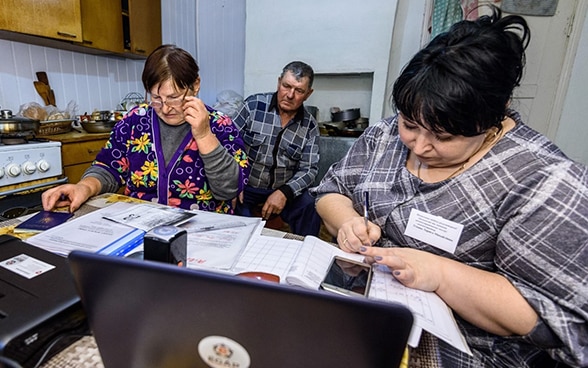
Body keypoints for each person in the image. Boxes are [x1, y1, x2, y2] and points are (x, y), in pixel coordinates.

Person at [311, 7, 587, 368]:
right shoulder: (385, 134)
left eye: (443, 136)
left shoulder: (544, 180)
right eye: (410, 124)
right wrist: (346, 220)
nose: (419, 146)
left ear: (493, 117)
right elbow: (331, 190)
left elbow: (557, 321)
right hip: (365, 318)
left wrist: (440, 275)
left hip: (460, 354)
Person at [42, 45, 249, 214]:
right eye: (156, 98)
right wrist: (84, 187)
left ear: (195, 85)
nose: (166, 108)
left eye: (174, 97)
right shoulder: (135, 120)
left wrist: (204, 135)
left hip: (203, 230)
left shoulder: (220, 124)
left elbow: (228, 190)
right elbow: (109, 167)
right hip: (141, 225)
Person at [232, 61, 322, 236]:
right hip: (246, 187)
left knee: (310, 204)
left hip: (283, 189)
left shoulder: (310, 126)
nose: (290, 95)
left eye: (299, 91)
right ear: (278, 82)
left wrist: (285, 192)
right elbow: (227, 143)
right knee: (238, 222)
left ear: (308, 94)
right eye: (286, 86)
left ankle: (306, 255)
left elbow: (309, 169)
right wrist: (232, 182)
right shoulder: (253, 106)